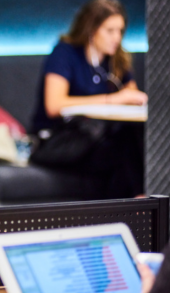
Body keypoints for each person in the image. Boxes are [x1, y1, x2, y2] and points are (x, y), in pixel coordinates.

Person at [30, 0, 147, 199]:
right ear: (92, 29)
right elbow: (54, 105)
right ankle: (137, 205)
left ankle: (133, 207)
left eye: (120, 31)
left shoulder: (116, 59)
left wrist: (130, 98)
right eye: (110, 31)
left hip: (98, 139)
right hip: (59, 140)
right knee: (121, 153)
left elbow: (130, 98)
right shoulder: (65, 54)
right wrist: (113, 99)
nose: (117, 38)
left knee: (129, 138)